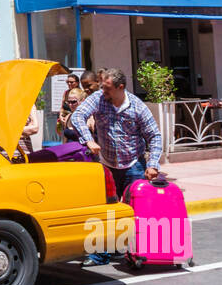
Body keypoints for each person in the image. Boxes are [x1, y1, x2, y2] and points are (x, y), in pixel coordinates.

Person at [69, 68, 163, 264]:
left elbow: (154, 136)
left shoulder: (137, 107)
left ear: (120, 88)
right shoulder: (99, 98)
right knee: (105, 210)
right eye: (102, 87)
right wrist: (88, 140)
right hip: (108, 164)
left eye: (108, 88)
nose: (103, 91)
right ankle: (99, 255)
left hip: (133, 165)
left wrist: (153, 164)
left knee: (134, 211)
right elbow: (78, 116)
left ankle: (140, 251)